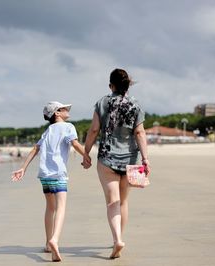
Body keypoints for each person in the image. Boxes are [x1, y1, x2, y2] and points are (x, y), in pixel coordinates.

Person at [82, 68, 150, 259]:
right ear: (127, 85)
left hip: (107, 158)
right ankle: (118, 239)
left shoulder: (102, 102)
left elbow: (94, 130)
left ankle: (117, 239)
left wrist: (85, 152)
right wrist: (145, 159)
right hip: (130, 159)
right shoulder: (135, 105)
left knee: (112, 202)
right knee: (123, 201)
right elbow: (140, 133)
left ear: (110, 85)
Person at [11, 101, 85, 262]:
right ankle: (55, 240)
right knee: (61, 208)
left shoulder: (47, 130)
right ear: (57, 113)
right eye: (64, 108)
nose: (67, 110)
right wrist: (87, 156)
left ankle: (47, 242)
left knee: (50, 208)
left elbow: (35, 149)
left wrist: (23, 168)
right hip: (58, 174)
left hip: (44, 175)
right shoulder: (68, 127)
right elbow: (75, 143)